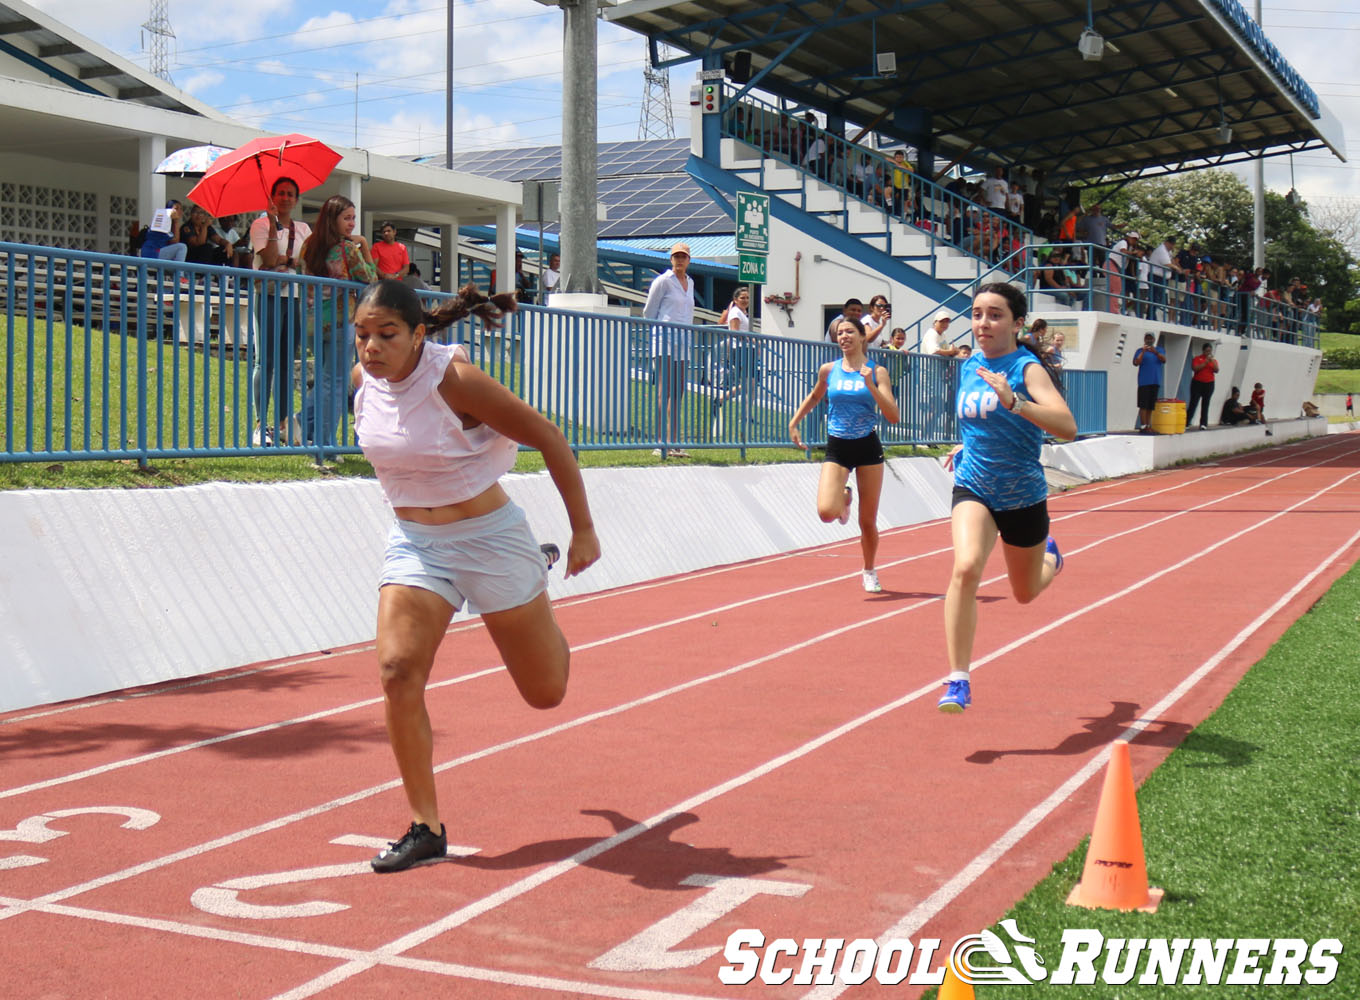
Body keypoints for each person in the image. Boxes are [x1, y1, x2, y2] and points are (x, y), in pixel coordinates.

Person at [351, 279, 600, 873]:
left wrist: (583, 529)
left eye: (387, 335)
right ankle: (425, 826)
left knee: (545, 693)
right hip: (416, 544)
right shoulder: (364, 385)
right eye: (362, 334)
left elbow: (546, 435)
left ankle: (532, 568)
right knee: (396, 671)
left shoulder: (454, 382)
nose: (371, 348)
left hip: (489, 539)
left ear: (418, 334)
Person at [938, 282, 1075, 712]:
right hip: (975, 484)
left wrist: (1016, 402)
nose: (982, 322)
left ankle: (1052, 559)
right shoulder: (969, 364)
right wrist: (965, 446)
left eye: (994, 314)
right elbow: (978, 420)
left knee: (1025, 592)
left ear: (1016, 323)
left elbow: (1066, 426)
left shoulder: (1027, 368)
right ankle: (958, 679)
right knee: (965, 567)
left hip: (1022, 495)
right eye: (977, 313)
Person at [787, 317, 900, 593]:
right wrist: (795, 421)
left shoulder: (877, 371)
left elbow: (893, 416)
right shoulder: (829, 370)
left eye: (850, 331)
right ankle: (844, 497)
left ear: (863, 337)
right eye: (839, 333)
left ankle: (869, 569)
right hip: (838, 445)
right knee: (826, 512)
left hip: (867, 446)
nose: (843, 337)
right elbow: (815, 396)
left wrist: (871, 386)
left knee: (867, 521)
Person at [299, 194, 378, 448]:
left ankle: (300, 424)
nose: (352, 223)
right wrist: (364, 245)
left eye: (353, 218)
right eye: (347, 218)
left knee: (325, 378)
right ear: (333, 220)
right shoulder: (346, 248)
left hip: (312, 321)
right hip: (340, 321)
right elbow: (370, 277)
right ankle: (325, 442)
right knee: (334, 382)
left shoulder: (309, 245)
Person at [249, 177, 313, 445]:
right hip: (269, 296)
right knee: (266, 361)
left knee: (287, 362)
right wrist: (274, 226)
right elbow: (271, 259)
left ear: (296, 200)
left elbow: (309, 261)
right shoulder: (260, 225)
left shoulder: (304, 228)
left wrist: (293, 261)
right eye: (280, 193)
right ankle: (261, 424)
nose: (285, 198)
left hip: (294, 298)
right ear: (272, 197)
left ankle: (284, 423)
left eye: (290, 194)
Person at [643, 242, 697, 458]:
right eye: (676, 256)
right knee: (664, 390)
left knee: (678, 392)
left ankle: (674, 441)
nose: (680, 260)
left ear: (689, 260)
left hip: (683, 340)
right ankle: (660, 441)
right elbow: (649, 311)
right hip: (664, 339)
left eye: (683, 256)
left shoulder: (690, 283)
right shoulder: (663, 281)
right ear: (671, 259)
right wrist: (658, 331)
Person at [711, 287, 758, 438]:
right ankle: (724, 401)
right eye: (742, 298)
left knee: (750, 384)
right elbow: (735, 333)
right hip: (739, 350)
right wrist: (752, 340)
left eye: (747, 298)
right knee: (748, 383)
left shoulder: (744, 313)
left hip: (747, 349)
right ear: (736, 299)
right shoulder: (735, 313)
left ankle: (745, 413)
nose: (745, 300)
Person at [1132, 332, 1165, 434]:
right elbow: (1136, 362)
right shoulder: (1139, 351)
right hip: (1144, 381)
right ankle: (1143, 425)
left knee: (1150, 406)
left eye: (1151, 338)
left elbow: (1164, 360)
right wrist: (1143, 351)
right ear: (1144, 340)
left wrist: (1155, 352)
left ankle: (1148, 425)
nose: (1149, 340)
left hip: (1155, 381)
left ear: (1154, 340)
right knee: (1143, 405)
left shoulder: (1159, 350)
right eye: (1147, 338)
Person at [1185, 342, 1218, 430]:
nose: (1208, 353)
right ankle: (1187, 422)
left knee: (1205, 404)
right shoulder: (1197, 358)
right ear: (1203, 351)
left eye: (1210, 351)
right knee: (1193, 403)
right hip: (1197, 383)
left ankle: (1203, 423)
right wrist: (1205, 362)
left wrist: (1212, 361)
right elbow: (1195, 368)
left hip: (1209, 384)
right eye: (1207, 351)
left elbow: (1216, 370)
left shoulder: (1213, 360)